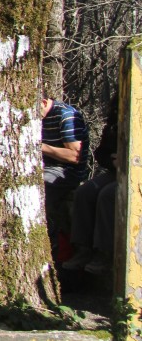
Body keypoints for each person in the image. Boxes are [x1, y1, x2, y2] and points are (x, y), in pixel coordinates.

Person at [64, 95, 119, 275]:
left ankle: (105, 254)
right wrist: (113, 160)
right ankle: (83, 250)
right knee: (85, 192)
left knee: (109, 195)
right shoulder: (116, 121)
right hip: (118, 171)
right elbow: (102, 152)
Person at [40, 95, 89, 251]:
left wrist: (39, 146)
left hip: (67, 171)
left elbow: (75, 156)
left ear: (43, 102)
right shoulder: (36, 117)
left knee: (38, 187)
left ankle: (51, 241)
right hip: (46, 167)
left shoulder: (65, 115)